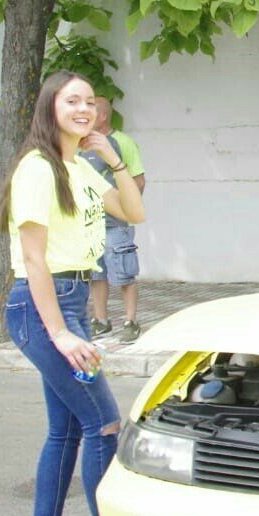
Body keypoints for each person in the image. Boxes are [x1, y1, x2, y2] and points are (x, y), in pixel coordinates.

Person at [0, 71, 145, 516]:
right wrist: (61, 332)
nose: (84, 109)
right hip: (44, 306)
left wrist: (115, 159)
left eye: (89, 102)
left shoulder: (77, 166)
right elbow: (34, 259)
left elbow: (134, 211)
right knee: (104, 423)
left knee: (65, 429)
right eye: (71, 101)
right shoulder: (37, 169)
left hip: (72, 298)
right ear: (49, 107)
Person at [80, 97, 146, 344]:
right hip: (89, 221)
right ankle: (101, 320)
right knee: (97, 274)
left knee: (123, 272)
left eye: (90, 111)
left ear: (103, 116)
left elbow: (138, 180)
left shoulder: (123, 143)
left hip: (116, 222)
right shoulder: (81, 144)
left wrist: (126, 209)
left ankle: (130, 321)